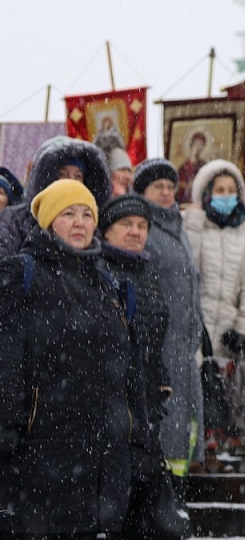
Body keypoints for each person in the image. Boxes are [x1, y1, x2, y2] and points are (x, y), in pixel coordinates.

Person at [0, 179, 147, 537]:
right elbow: (7, 358)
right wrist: (7, 427)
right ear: (49, 221)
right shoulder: (23, 275)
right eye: (68, 214)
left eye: (87, 214)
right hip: (42, 448)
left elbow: (129, 368)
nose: (80, 223)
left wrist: (139, 433)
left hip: (104, 451)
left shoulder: (108, 283)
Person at [98, 194, 175, 524]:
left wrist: (161, 377)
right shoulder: (100, 269)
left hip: (146, 397)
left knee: (144, 484)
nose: (135, 231)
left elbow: (155, 336)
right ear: (107, 231)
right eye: (126, 224)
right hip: (112, 396)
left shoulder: (147, 270)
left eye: (142, 225)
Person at [183, 159, 245, 473]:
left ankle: (215, 456)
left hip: (229, 324)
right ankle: (193, 456)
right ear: (206, 192)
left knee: (223, 395)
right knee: (195, 390)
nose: (226, 195)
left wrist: (244, 326)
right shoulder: (193, 223)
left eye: (231, 191)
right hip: (197, 324)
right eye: (220, 190)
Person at [134, 158, 205, 484]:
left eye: (169, 186)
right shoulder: (143, 228)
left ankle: (178, 492)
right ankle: (164, 494)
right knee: (168, 423)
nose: (165, 193)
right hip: (160, 345)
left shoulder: (178, 227)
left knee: (185, 424)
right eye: (156, 187)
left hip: (185, 347)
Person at [0, 135, 112, 257]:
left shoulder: (92, 222)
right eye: (62, 174)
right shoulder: (15, 220)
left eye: (78, 176)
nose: (71, 181)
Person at [94, 127, 134, 198]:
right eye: (121, 169)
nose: (127, 176)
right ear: (107, 171)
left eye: (129, 171)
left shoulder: (136, 200)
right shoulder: (95, 200)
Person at [176, 131, 208, 205]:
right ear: (191, 144)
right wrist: (184, 185)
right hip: (182, 202)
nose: (197, 147)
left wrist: (195, 184)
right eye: (196, 143)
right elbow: (177, 183)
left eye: (200, 145)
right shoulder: (183, 167)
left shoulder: (203, 165)